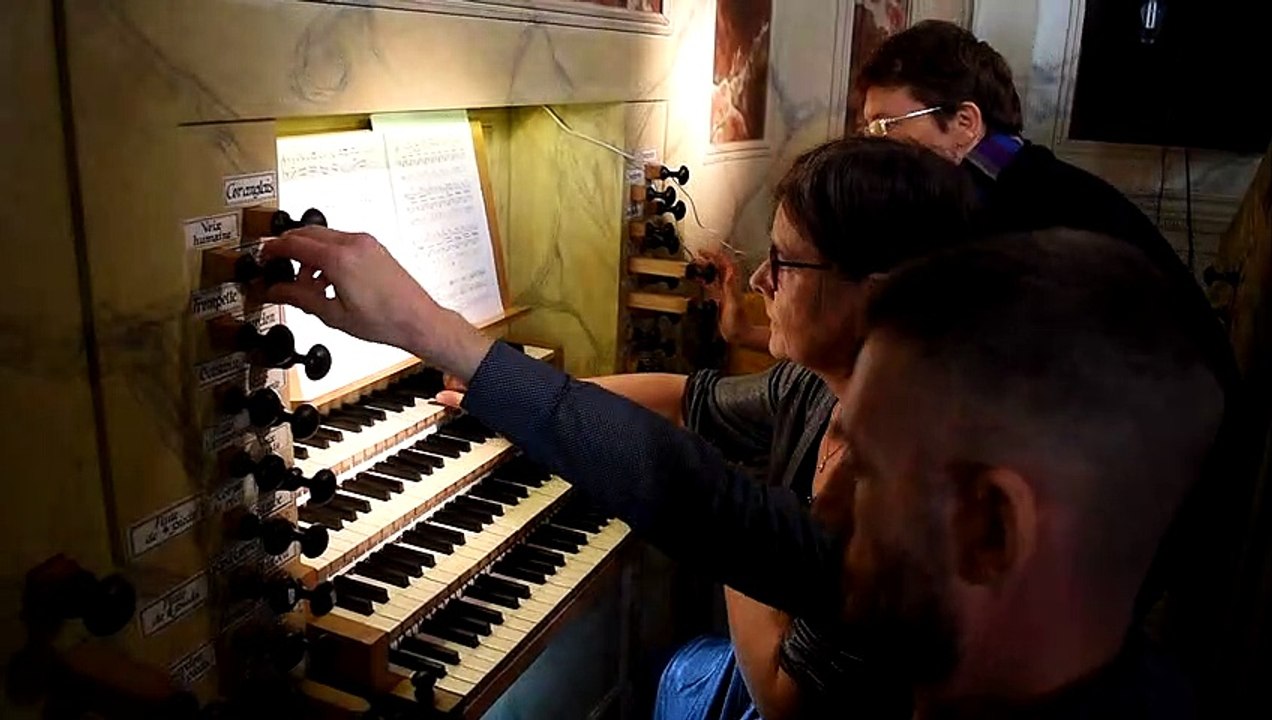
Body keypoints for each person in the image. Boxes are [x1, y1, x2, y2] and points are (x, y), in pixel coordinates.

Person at [264, 226, 1224, 718]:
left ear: (990, 529)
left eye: (868, 467)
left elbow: (731, 514)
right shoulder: (992, 639)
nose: (826, 492)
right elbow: (716, 505)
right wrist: (441, 337)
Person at [435, 137, 981, 718]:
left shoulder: (909, 494)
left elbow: (781, 698)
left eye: (784, 262)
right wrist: (517, 389)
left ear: (877, 294)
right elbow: (686, 400)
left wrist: (737, 502)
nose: (760, 281)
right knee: (674, 669)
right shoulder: (816, 385)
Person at [853, 19, 1245, 695]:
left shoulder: (1022, 216)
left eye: (889, 126)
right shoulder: (1014, 186)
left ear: (965, 123)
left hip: (1166, 479)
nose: (873, 148)